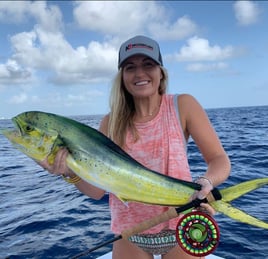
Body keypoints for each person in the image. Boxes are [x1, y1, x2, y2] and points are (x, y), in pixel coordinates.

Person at [39, 35, 231, 259]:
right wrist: (69, 173)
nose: (140, 73)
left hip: (181, 226)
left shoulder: (183, 105)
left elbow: (219, 159)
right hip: (130, 235)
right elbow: (97, 191)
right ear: (122, 77)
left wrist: (207, 182)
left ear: (161, 72)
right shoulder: (109, 123)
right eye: (130, 67)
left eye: (148, 64)